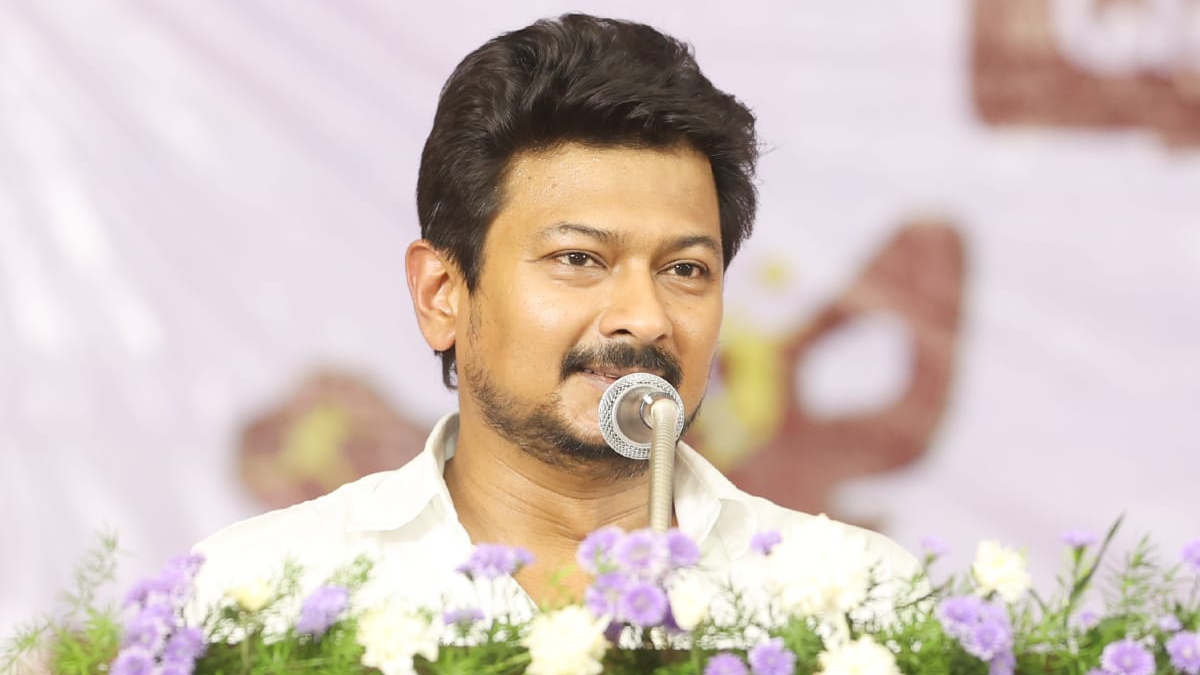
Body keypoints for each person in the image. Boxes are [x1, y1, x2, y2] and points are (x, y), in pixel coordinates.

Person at [193, 13, 916, 616]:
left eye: (685, 270)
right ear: (441, 293)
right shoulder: (258, 593)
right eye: (579, 258)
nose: (645, 318)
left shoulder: (858, 597)